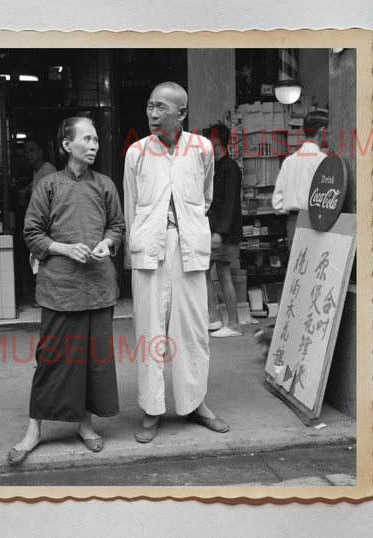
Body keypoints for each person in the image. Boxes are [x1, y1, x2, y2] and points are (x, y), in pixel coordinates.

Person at [7, 117, 125, 465]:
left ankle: (84, 425)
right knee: (51, 359)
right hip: (59, 287)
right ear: (66, 145)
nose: (94, 145)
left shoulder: (104, 184)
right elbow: (32, 233)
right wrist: (64, 248)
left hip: (98, 287)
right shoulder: (48, 185)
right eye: (86, 139)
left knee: (91, 361)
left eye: (95, 140)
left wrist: (106, 242)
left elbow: (117, 226)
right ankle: (34, 430)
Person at [123, 81, 230, 443]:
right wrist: (134, 247)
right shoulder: (136, 153)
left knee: (193, 331)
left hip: (189, 246)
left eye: (161, 108)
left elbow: (205, 197)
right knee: (149, 331)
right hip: (150, 247)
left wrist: (188, 224)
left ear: (181, 112)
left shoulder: (201, 149)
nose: (153, 114)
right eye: (150, 106)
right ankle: (152, 409)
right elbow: (131, 206)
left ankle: (195, 402)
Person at [205, 124, 244, 338]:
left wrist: (219, 233)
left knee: (218, 273)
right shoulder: (216, 166)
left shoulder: (230, 168)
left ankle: (231, 323)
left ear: (215, 141)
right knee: (218, 273)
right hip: (217, 232)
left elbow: (230, 205)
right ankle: (218, 319)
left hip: (224, 234)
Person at [272, 110, 329, 247]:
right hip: (316, 223)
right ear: (323, 131)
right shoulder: (324, 161)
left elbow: (277, 202)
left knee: (297, 266)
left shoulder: (289, 161)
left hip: (293, 222)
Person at [24, 137, 57, 283]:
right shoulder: (37, 171)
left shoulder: (48, 169)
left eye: (32, 150)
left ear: (41, 151)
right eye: (26, 151)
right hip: (38, 222)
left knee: (43, 260)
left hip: (46, 223)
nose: (28, 154)